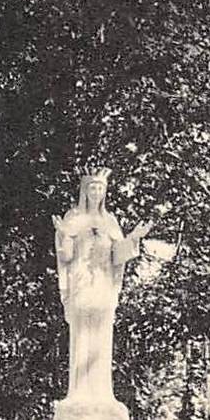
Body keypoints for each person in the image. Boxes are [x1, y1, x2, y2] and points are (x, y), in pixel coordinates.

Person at [52, 168, 152, 405]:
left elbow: (117, 255)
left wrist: (133, 238)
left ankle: (102, 395)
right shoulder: (73, 217)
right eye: (92, 187)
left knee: (102, 338)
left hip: (102, 284)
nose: (97, 192)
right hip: (81, 283)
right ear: (85, 191)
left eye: (101, 188)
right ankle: (78, 395)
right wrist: (65, 235)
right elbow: (65, 256)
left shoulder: (110, 221)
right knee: (81, 335)